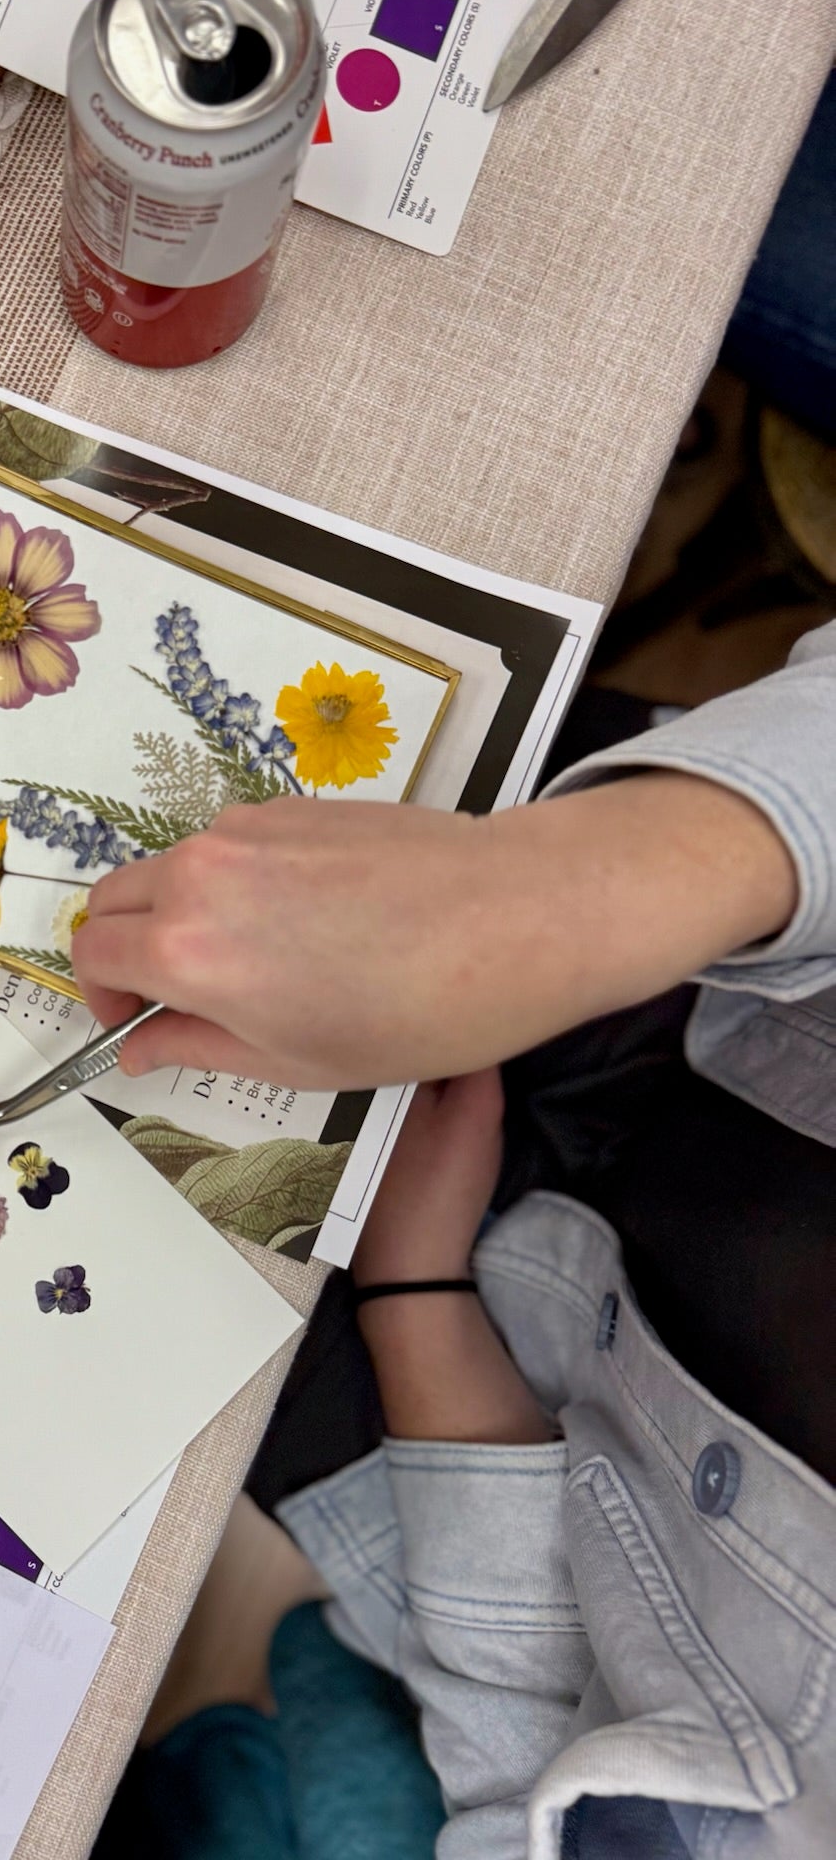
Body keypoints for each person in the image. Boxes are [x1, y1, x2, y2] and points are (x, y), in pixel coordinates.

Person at [76, 622, 836, 1859]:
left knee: (59, 1237)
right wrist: (553, 898)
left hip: (453, 1448)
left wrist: (415, 1287)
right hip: (731, 949)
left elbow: (522, 1757)